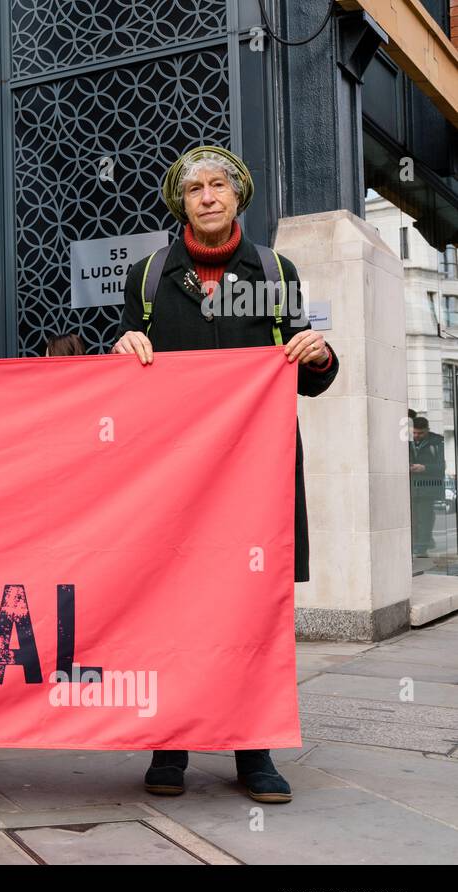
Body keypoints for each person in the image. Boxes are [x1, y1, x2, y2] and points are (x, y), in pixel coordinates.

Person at [112, 145, 339, 804]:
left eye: (219, 186)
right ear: (180, 203)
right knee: (171, 607)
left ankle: (254, 749)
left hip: (254, 477)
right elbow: (130, 368)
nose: (207, 197)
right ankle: (170, 745)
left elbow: (308, 372)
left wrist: (318, 353)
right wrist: (124, 348)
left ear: (239, 196)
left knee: (252, 614)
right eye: (195, 189)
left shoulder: (273, 270)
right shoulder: (151, 276)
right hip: (174, 476)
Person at [410, 415, 445, 557]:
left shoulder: (437, 442)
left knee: (425, 519)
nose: (417, 436)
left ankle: (422, 548)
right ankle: (416, 546)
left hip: (427, 489)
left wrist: (424, 468)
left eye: (420, 433)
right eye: (414, 433)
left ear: (427, 430)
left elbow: (442, 467)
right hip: (410, 488)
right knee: (412, 520)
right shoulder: (405, 441)